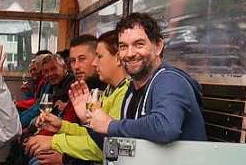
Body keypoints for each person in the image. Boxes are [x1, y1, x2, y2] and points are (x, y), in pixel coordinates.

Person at [25, 31, 130, 165]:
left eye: (98, 57)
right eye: (72, 61)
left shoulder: (124, 94)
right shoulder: (107, 90)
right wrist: (61, 126)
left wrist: (55, 143)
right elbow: (92, 133)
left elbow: (103, 145)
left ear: (118, 58)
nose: (95, 63)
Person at [86, 12, 206, 143]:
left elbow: (165, 128)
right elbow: (120, 141)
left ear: (159, 46)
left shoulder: (169, 80)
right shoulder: (132, 88)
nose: (130, 54)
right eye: (123, 47)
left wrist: (110, 125)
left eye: (139, 44)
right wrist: (91, 122)